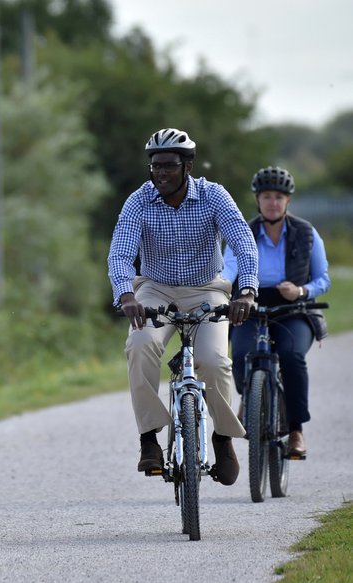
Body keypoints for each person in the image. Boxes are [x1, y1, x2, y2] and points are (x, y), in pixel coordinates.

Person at [107, 127, 259, 486]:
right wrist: (126, 294)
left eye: (168, 166)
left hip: (207, 289)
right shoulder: (139, 201)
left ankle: (222, 440)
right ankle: (149, 439)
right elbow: (121, 252)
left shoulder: (213, 196)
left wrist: (247, 291)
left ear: (187, 166)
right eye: (155, 167)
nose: (160, 174)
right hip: (155, 288)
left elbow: (243, 242)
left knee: (214, 361)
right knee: (140, 345)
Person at [223, 166, 330, 458]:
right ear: (257, 200)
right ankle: (250, 394)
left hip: (294, 307)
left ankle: (296, 430)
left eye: (279, 197)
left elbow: (323, 279)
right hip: (251, 304)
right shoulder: (243, 232)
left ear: (288, 201)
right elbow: (229, 268)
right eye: (267, 196)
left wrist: (301, 291)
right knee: (242, 353)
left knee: (291, 355)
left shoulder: (306, 233)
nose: (273, 202)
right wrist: (221, 286)